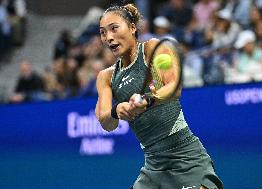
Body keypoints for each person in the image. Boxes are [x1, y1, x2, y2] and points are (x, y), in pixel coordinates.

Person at [95, 3, 223, 189]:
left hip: (185, 155)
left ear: (132, 28)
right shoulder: (106, 77)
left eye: (114, 28)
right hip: (153, 166)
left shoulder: (153, 49)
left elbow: (174, 87)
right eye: (103, 32)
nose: (109, 37)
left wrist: (146, 100)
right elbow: (106, 122)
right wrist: (117, 110)